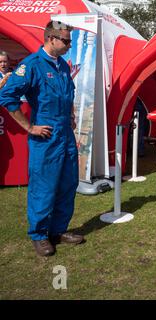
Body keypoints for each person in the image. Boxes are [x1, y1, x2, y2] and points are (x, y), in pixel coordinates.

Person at [0, 21, 84, 257]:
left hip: (65, 134)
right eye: (66, 41)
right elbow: (7, 96)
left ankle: (58, 230)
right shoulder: (32, 65)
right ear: (51, 39)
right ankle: (39, 235)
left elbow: (69, 93)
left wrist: (71, 115)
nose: (70, 45)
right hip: (46, 135)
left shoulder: (63, 67)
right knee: (43, 187)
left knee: (68, 185)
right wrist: (29, 127)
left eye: (70, 41)